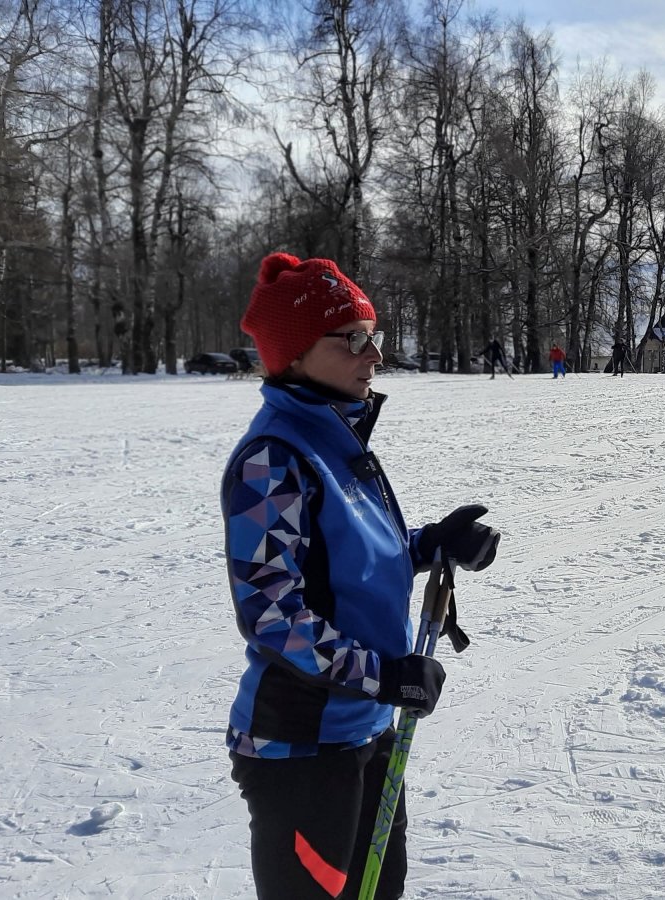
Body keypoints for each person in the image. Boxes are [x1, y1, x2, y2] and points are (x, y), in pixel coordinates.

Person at [224, 252, 502, 899]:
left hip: (364, 726)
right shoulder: (274, 458)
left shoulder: (337, 443)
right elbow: (272, 614)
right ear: (295, 353)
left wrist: (433, 544)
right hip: (302, 746)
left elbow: (352, 558)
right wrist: (385, 675)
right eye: (351, 338)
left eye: (371, 335)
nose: (372, 355)